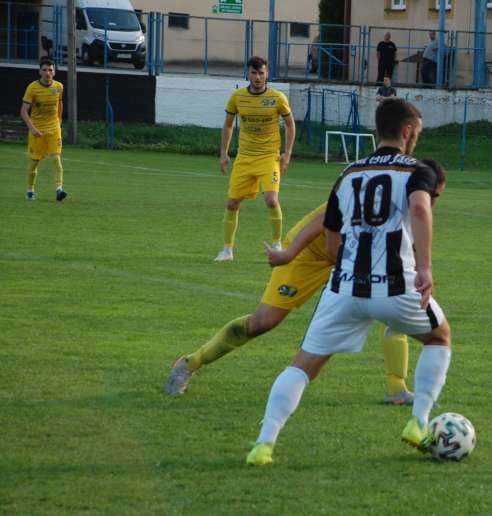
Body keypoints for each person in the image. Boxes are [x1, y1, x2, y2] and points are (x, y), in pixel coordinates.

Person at [245, 99, 451, 466]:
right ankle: (418, 423)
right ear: (406, 131)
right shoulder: (419, 171)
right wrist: (425, 268)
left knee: (303, 365)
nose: (416, 139)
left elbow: (332, 238)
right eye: (416, 132)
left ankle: (264, 443)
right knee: (439, 337)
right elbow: (420, 208)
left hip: (344, 289)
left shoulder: (349, 174)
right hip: (396, 286)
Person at [165, 203, 416, 404]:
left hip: (356, 257)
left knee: (390, 304)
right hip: (311, 250)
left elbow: (406, 239)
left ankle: (397, 388)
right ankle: (190, 363)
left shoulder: (412, 199)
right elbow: (326, 225)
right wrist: (290, 253)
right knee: (264, 321)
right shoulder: (368, 175)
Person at [215, 56, 295, 262]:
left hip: (269, 157)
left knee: (271, 199)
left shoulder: (277, 98)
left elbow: (290, 125)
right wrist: (224, 153)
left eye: (261, 73)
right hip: (244, 157)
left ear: (267, 74)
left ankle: (277, 244)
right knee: (232, 203)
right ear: (248, 74)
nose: (258, 77)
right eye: (254, 73)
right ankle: (227, 250)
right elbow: (228, 124)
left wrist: (287, 153)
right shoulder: (237, 97)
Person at [21, 57, 67, 202]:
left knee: (56, 158)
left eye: (50, 70)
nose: (48, 73)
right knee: (35, 162)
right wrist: (32, 128)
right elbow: (23, 111)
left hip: (53, 129)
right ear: (39, 71)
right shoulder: (32, 88)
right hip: (37, 131)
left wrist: (59, 121)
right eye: (45, 70)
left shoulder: (59, 86)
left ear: (54, 72)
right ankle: (30, 190)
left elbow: (59, 105)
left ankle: (59, 189)